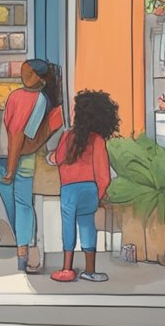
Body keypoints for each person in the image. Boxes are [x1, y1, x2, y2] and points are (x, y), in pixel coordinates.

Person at [0, 59, 64, 273]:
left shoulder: (18, 97)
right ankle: (27, 249)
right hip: (28, 159)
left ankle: (24, 249)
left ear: (40, 79)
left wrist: (11, 167)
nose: (24, 77)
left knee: (20, 204)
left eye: (29, 74)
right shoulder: (42, 100)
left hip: (18, 159)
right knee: (24, 204)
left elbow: (17, 135)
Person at [49, 90, 118, 282]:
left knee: (68, 226)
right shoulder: (98, 140)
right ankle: (90, 270)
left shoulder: (67, 136)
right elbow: (104, 175)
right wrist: (98, 196)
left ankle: (66, 269)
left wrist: (50, 157)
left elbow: (59, 158)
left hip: (69, 190)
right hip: (90, 190)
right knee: (88, 226)